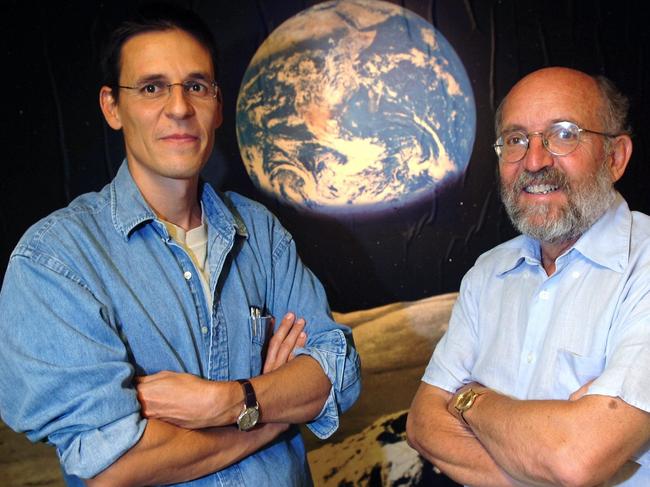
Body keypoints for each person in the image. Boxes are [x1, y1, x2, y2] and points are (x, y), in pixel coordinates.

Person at [0, 5, 360, 486]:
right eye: (151, 87)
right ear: (112, 107)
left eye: (196, 86)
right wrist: (271, 411)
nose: (179, 107)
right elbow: (113, 466)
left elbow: (337, 369)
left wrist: (224, 402)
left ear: (216, 104)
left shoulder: (262, 232)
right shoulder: (55, 261)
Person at [407, 67, 650, 486]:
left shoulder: (643, 265)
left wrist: (468, 399)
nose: (534, 161)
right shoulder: (487, 275)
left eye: (563, 134)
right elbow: (423, 425)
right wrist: (554, 455)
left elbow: (576, 459)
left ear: (615, 157)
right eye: (516, 140)